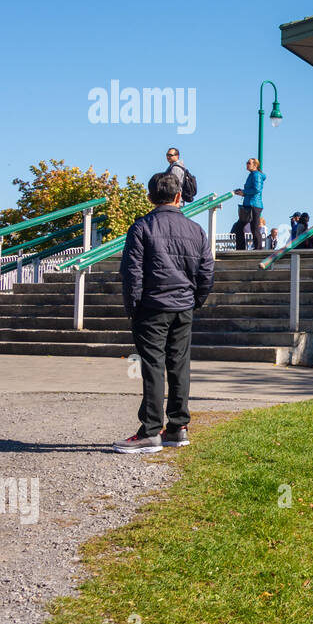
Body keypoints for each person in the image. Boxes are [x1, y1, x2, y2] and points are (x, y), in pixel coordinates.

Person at [113, 171, 214, 453]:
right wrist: (196, 301)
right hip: (183, 306)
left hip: (152, 306)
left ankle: (150, 431)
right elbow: (207, 270)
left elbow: (132, 273)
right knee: (179, 365)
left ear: (149, 198)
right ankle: (178, 427)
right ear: (179, 197)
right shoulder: (196, 230)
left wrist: (133, 307)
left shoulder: (141, 227)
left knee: (153, 366)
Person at [231, 158, 265, 250]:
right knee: (239, 227)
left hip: (254, 205)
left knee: (254, 228)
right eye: (247, 163)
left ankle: (258, 249)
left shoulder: (256, 175)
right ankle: (241, 248)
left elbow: (257, 189)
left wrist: (244, 192)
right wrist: (242, 192)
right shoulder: (252, 175)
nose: (247, 164)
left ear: (255, 165)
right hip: (248, 204)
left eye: (249, 163)